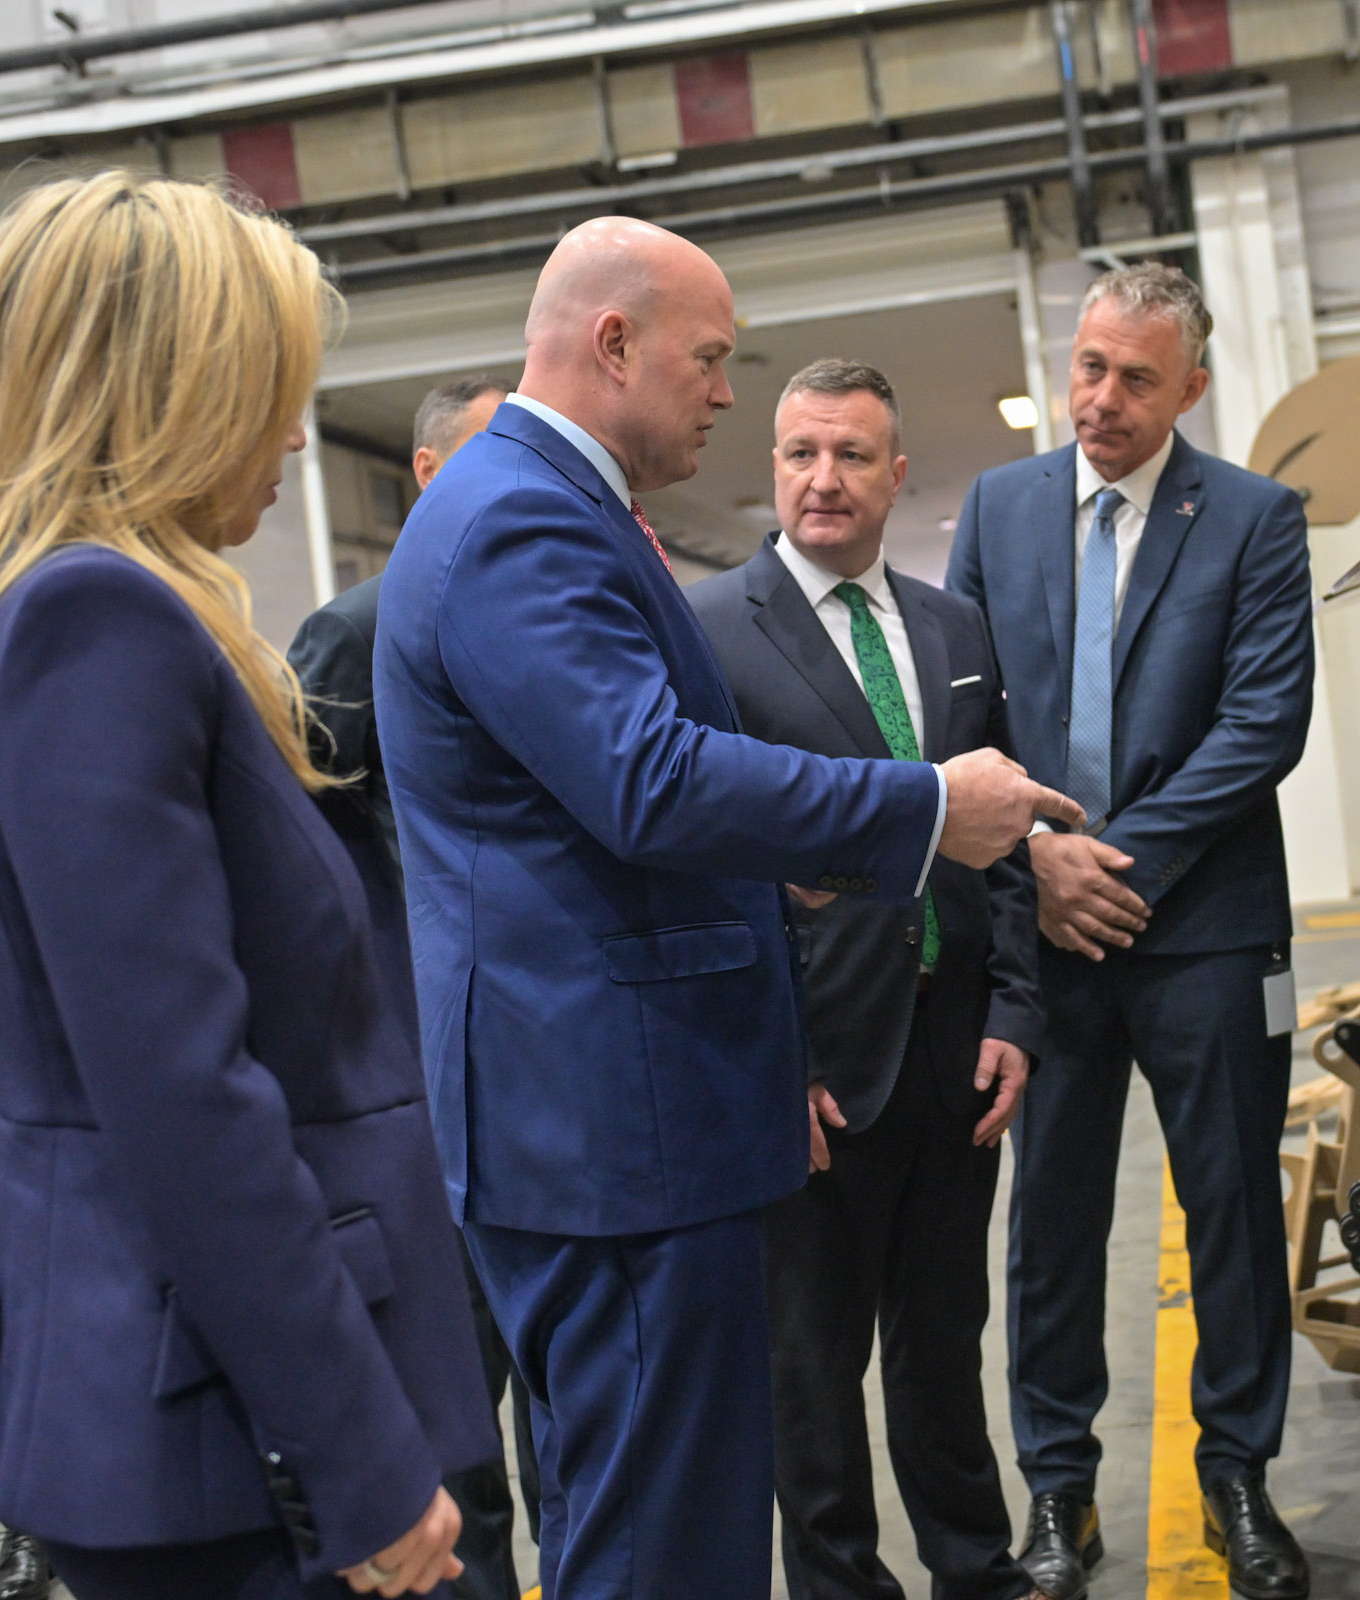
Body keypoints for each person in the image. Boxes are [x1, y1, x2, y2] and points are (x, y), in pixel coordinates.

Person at [374, 217, 1081, 1600]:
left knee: (642, 1513)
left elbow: (589, 802)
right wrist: (922, 807)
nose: (721, 392)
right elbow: (646, 777)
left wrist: (771, 864)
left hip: (618, 1116)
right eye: (708, 359)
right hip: (611, 1126)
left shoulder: (556, 507)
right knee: (664, 1538)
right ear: (613, 342)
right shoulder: (522, 516)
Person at [0, 171, 496, 1598]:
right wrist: (357, 1453)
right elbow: (185, 1098)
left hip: (218, 1402)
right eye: (267, 385)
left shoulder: (71, 617)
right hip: (230, 1432)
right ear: (172, 389)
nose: (295, 432)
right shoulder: (93, 622)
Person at [946, 263, 1316, 1600]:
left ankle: (1239, 1475)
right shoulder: (1000, 507)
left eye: (1138, 379)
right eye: (1090, 367)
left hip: (1206, 926)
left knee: (1231, 1207)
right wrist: (1037, 858)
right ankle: (1058, 1487)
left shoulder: (1256, 519)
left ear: (1191, 388)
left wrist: (1111, 863)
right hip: (1043, 933)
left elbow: (1262, 724)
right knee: (1050, 1220)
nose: (1102, 399)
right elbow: (966, 703)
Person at [686, 361, 1048, 1600]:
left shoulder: (954, 630)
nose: (823, 479)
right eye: (801, 453)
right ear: (773, 468)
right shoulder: (712, 632)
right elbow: (712, 868)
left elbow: (1005, 837)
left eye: (850, 456)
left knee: (945, 1341)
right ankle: (839, 1583)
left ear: (896, 476)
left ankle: (975, 1567)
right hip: (816, 1070)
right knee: (811, 1363)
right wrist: (768, 1063)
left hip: (955, 1056)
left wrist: (1015, 1010)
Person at [288, 372, 542, 1600]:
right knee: (459, 1406)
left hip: (533, 1070)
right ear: (431, 476)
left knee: (559, 1393)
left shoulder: (524, 617)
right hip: (425, 1084)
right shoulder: (356, 630)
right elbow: (301, 851)